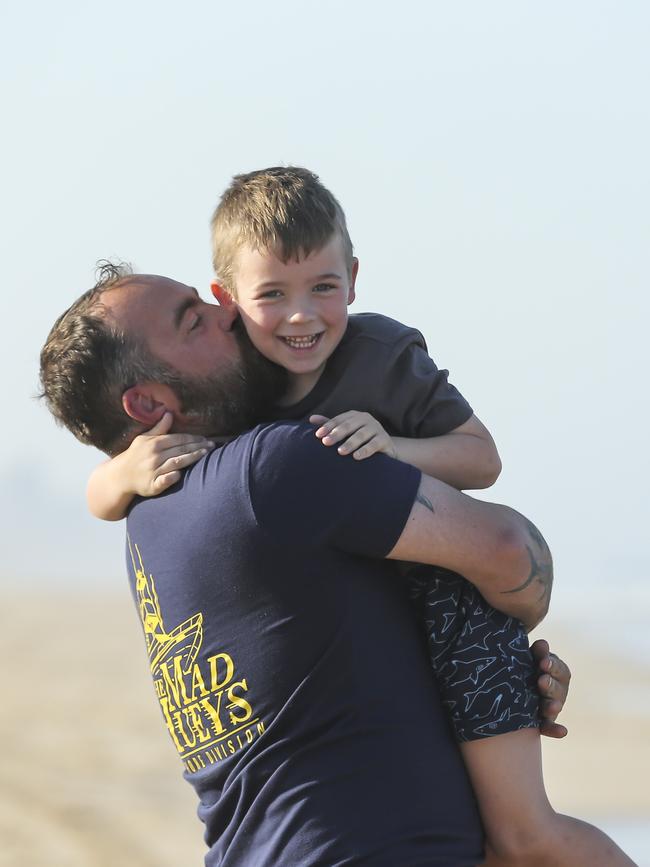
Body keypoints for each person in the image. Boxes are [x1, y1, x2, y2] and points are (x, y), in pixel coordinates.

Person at [84, 169, 633, 865]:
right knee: (505, 839)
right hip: (411, 606)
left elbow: (482, 459)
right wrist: (120, 472)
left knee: (525, 833)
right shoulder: (250, 418)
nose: (300, 316)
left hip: (454, 601)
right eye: (268, 296)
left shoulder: (379, 358)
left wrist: (390, 446)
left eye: (323, 287)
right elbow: (101, 497)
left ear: (353, 275)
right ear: (232, 299)